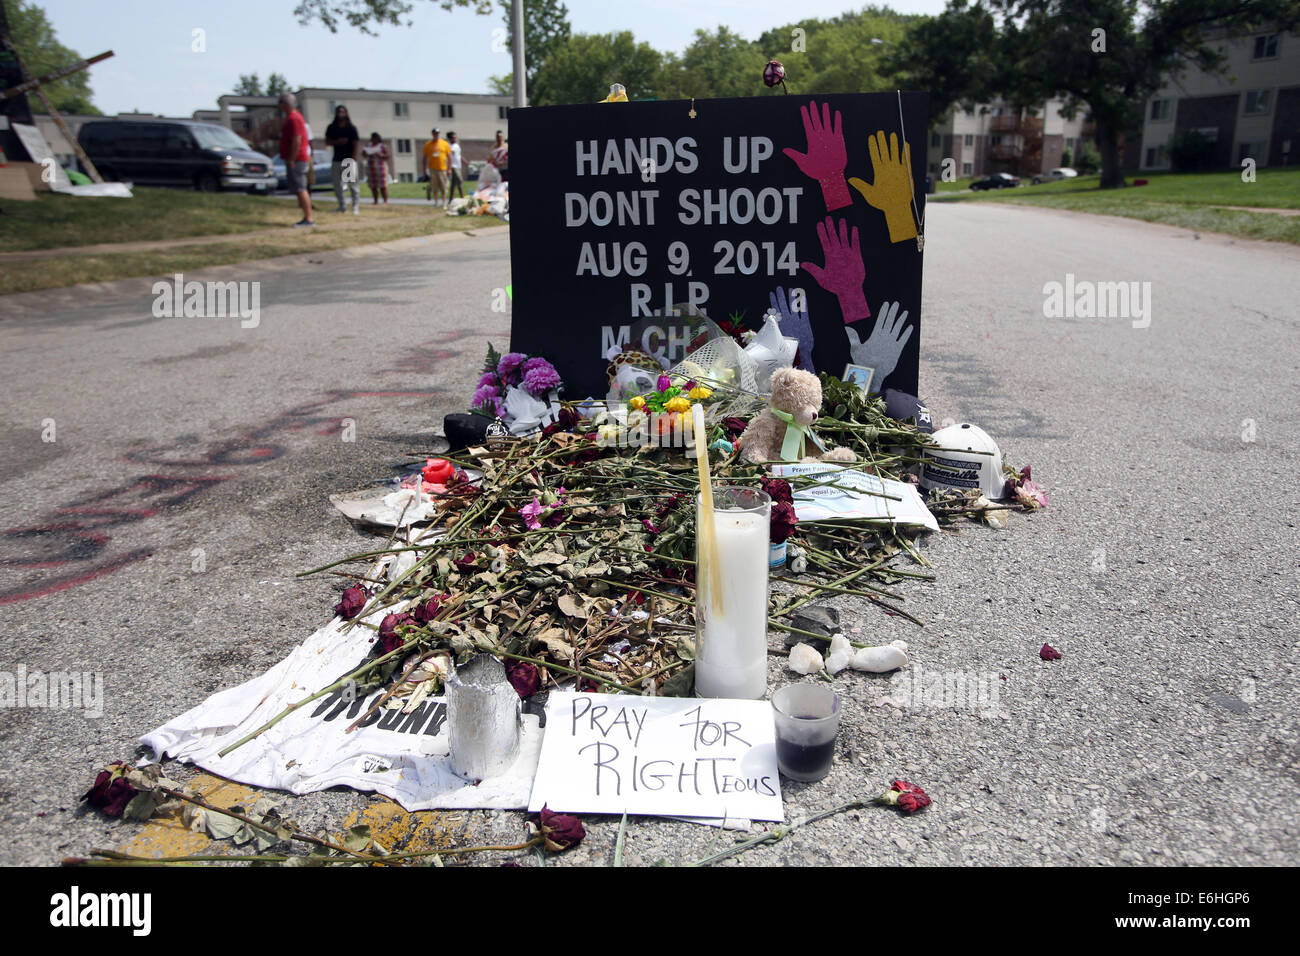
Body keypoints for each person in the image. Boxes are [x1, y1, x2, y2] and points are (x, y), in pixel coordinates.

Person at [278, 92, 313, 227]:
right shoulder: (292, 118)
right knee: (298, 188)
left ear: (285, 104)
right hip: (295, 158)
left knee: (300, 187)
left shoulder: (294, 118)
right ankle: (306, 216)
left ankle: (308, 218)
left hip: (298, 159)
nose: (279, 106)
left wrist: (292, 159)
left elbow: (296, 140)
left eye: (280, 103)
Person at [324, 105, 360, 214]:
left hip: (348, 159)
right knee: (337, 185)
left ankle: (355, 206)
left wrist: (353, 157)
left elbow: (356, 143)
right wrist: (337, 142)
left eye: (343, 111)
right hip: (337, 159)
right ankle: (342, 206)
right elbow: (327, 141)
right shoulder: (332, 127)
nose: (341, 113)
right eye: (339, 111)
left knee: (352, 184)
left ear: (346, 113)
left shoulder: (351, 128)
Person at [422, 128, 450, 206]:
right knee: (434, 187)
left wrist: (449, 168)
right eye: (435, 134)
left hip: (442, 168)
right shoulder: (428, 144)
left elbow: (449, 157)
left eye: (437, 133)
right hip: (432, 169)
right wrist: (424, 170)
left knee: (443, 186)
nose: (436, 135)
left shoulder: (444, 143)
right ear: (432, 134)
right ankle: (436, 202)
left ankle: (444, 202)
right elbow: (424, 158)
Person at [363, 132, 390, 204]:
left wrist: (380, 155)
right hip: (371, 168)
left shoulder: (382, 146)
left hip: (381, 168)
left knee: (383, 186)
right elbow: (363, 155)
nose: (372, 139)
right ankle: (376, 201)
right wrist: (366, 152)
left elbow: (388, 156)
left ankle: (385, 201)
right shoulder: (369, 146)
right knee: (373, 186)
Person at [445, 131, 464, 202]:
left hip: (458, 166)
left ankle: (450, 200)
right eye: (453, 137)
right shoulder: (449, 146)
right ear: (450, 138)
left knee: (453, 184)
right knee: (459, 180)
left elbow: (458, 155)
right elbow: (449, 154)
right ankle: (462, 198)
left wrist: (464, 161)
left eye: (455, 137)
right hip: (453, 166)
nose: (455, 138)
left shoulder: (457, 146)